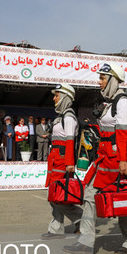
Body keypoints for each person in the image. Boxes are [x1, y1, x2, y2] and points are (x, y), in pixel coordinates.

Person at [61, 64, 127, 254]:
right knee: (90, 196)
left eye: (103, 78)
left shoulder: (122, 102)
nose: (99, 82)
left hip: (119, 159)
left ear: (113, 79)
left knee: (123, 200)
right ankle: (86, 242)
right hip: (105, 158)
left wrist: (123, 160)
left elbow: (121, 132)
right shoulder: (110, 102)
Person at [41, 84, 84, 241]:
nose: (54, 98)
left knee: (57, 196)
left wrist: (69, 163)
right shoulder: (60, 117)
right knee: (55, 195)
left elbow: (70, 141)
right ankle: (56, 229)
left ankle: (81, 219)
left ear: (65, 96)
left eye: (56, 95)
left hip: (63, 161)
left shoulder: (69, 117)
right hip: (55, 160)